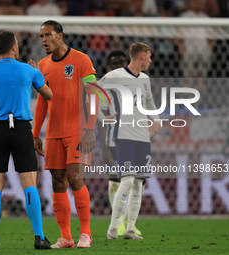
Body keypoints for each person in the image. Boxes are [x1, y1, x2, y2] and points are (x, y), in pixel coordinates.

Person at [0, 31, 53, 250]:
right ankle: (39, 237)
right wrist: (37, 74)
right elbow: (49, 94)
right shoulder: (28, 70)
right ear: (15, 47)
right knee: (30, 184)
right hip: (21, 128)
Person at [30, 20, 98, 249]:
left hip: (78, 130)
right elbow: (41, 102)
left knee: (75, 178)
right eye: (41, 36)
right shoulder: (42, 64)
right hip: (53, 133)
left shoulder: (81, 60)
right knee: (57, 182)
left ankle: (86, 234)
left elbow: (94, 95)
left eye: (48, 35)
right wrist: (36, 132)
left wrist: (90, 128)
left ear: (60, 35)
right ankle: (66, 237)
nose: (44, 40)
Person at [98, 42, 160, 240]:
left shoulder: (144, 79)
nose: (151, 60)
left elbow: (149, 101)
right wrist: (100, 117)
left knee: (139, 183)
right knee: (126, 180)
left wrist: (156, 120)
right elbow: (91, 93)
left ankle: (131, 229)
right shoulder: (115, 76)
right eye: (149, 56)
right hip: (123, 135)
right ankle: (113, 228)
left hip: (142, 136)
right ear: (142, 55)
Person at [98, 49, 143, 237]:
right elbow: (100, 120)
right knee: (117, 181)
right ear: (110, 67)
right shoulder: (105, 87)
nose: (119, 66)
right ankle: (118, 222)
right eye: (115, 64)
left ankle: (129, 223)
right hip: (114, 140)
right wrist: (104, 148)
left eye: (122, 62)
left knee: (137, 182)